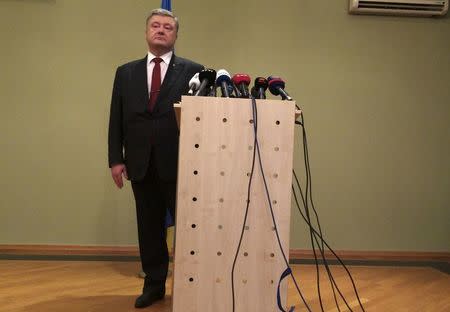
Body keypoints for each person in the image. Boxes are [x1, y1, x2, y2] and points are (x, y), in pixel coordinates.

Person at [108, 8, 203, 308]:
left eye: (167, 27)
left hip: (181, 163)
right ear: (147, 32)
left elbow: (202, 119)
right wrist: (115, 159)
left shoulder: (194, 71)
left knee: (190, 228)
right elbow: (116, 118)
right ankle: (154, 285)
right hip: (140, 162)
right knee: (149, 227)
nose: (161, 30)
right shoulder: (125, 72)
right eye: (155, 26)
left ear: (176, 35)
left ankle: (192, 285)